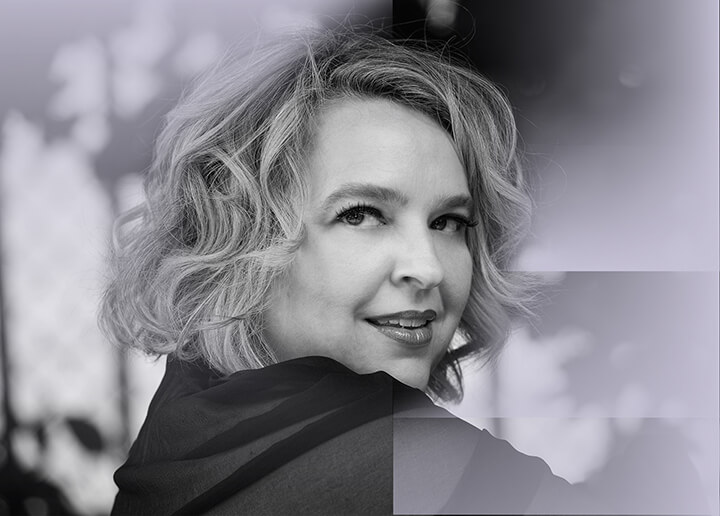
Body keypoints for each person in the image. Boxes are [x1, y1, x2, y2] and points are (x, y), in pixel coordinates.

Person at [101, 28, 707, 515]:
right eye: (362, 214)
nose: (427, 268)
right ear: (244, 237)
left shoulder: (174, 450)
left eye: (448, 223)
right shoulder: (404, 464)